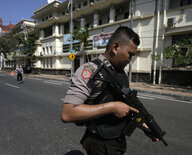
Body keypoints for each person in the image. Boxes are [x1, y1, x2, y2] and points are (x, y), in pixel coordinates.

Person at [61, 26, 157, 155]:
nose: (130, 60)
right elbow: (67, 113)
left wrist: (145, 126)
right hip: (99, 142)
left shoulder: (121, 72)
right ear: (115, 47)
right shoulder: (89, 71)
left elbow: (126, 105)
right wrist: (111, 107)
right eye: (130, 54)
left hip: (117, 139)